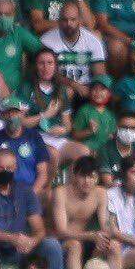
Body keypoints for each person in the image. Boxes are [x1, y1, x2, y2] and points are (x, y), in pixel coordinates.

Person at [52, 154, 110, 269]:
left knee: (110, 245)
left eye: (91, 177)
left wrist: (105, 236)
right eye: (83, 176)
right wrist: (90, 235)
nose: (87, 181)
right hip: (61, 242)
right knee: (74, 245)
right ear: (74, 176)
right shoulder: (61, 192)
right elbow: (61, 231)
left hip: (86, 241)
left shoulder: (101, 193)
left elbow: (105, 224)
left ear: (97, 178)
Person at [21, 47, 91, 176]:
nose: (46, 67)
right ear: (35, 66)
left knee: (84, 151)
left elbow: (67, 123)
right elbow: (22, 122)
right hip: (35, 137)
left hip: (57, 137)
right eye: (41, 63)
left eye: (50, 63)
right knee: (53, 154)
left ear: (55, 66)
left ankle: (70, 189)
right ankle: (48, 190)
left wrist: (64, 130)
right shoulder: (27, 88)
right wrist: (44, 115)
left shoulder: (61, 89)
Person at [0, 97, 50, 194]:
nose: (11, 117)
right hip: (5, 192)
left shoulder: (34, 136)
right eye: (7, 113)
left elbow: (42, 173)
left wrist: (32, 195)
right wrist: (4, 194)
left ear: (22, 113)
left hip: (32, 190)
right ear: (1, 116)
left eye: (15, 113)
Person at [40, 0, 108, 96]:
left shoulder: (93, 41)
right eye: (64, 20)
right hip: (58, 88)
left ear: (80, 20)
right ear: (59, 21)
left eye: (73, 19)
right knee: (67, 91)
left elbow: (100, 74)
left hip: (87, 88)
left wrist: (94, 90)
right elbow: (47, 72)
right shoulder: (47, 41)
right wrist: (73, 85)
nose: (69, 24)